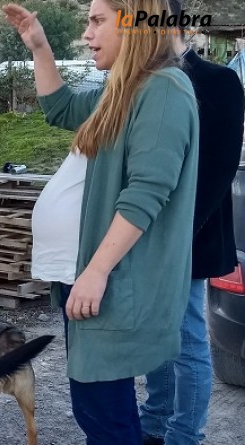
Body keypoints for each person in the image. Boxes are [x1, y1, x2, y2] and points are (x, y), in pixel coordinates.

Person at [5, 0, 200, 443]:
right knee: (96, 409)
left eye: (97, 21)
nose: (87, 34)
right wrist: (39, 47)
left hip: (111, 282)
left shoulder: (164, 91)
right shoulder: (124, 89)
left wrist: (95, 272)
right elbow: (61, 109)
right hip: (89, 278)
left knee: (105, 415)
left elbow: (147, 192)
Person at [139, 1, 245, 444]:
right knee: (154, 333)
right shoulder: (142, 81)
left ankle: (184, 435)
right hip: (144, 233)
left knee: (186, 338)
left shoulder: (219, 82)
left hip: (191, 236)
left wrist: (176, 237)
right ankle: (154, 421)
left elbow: (220, 169)